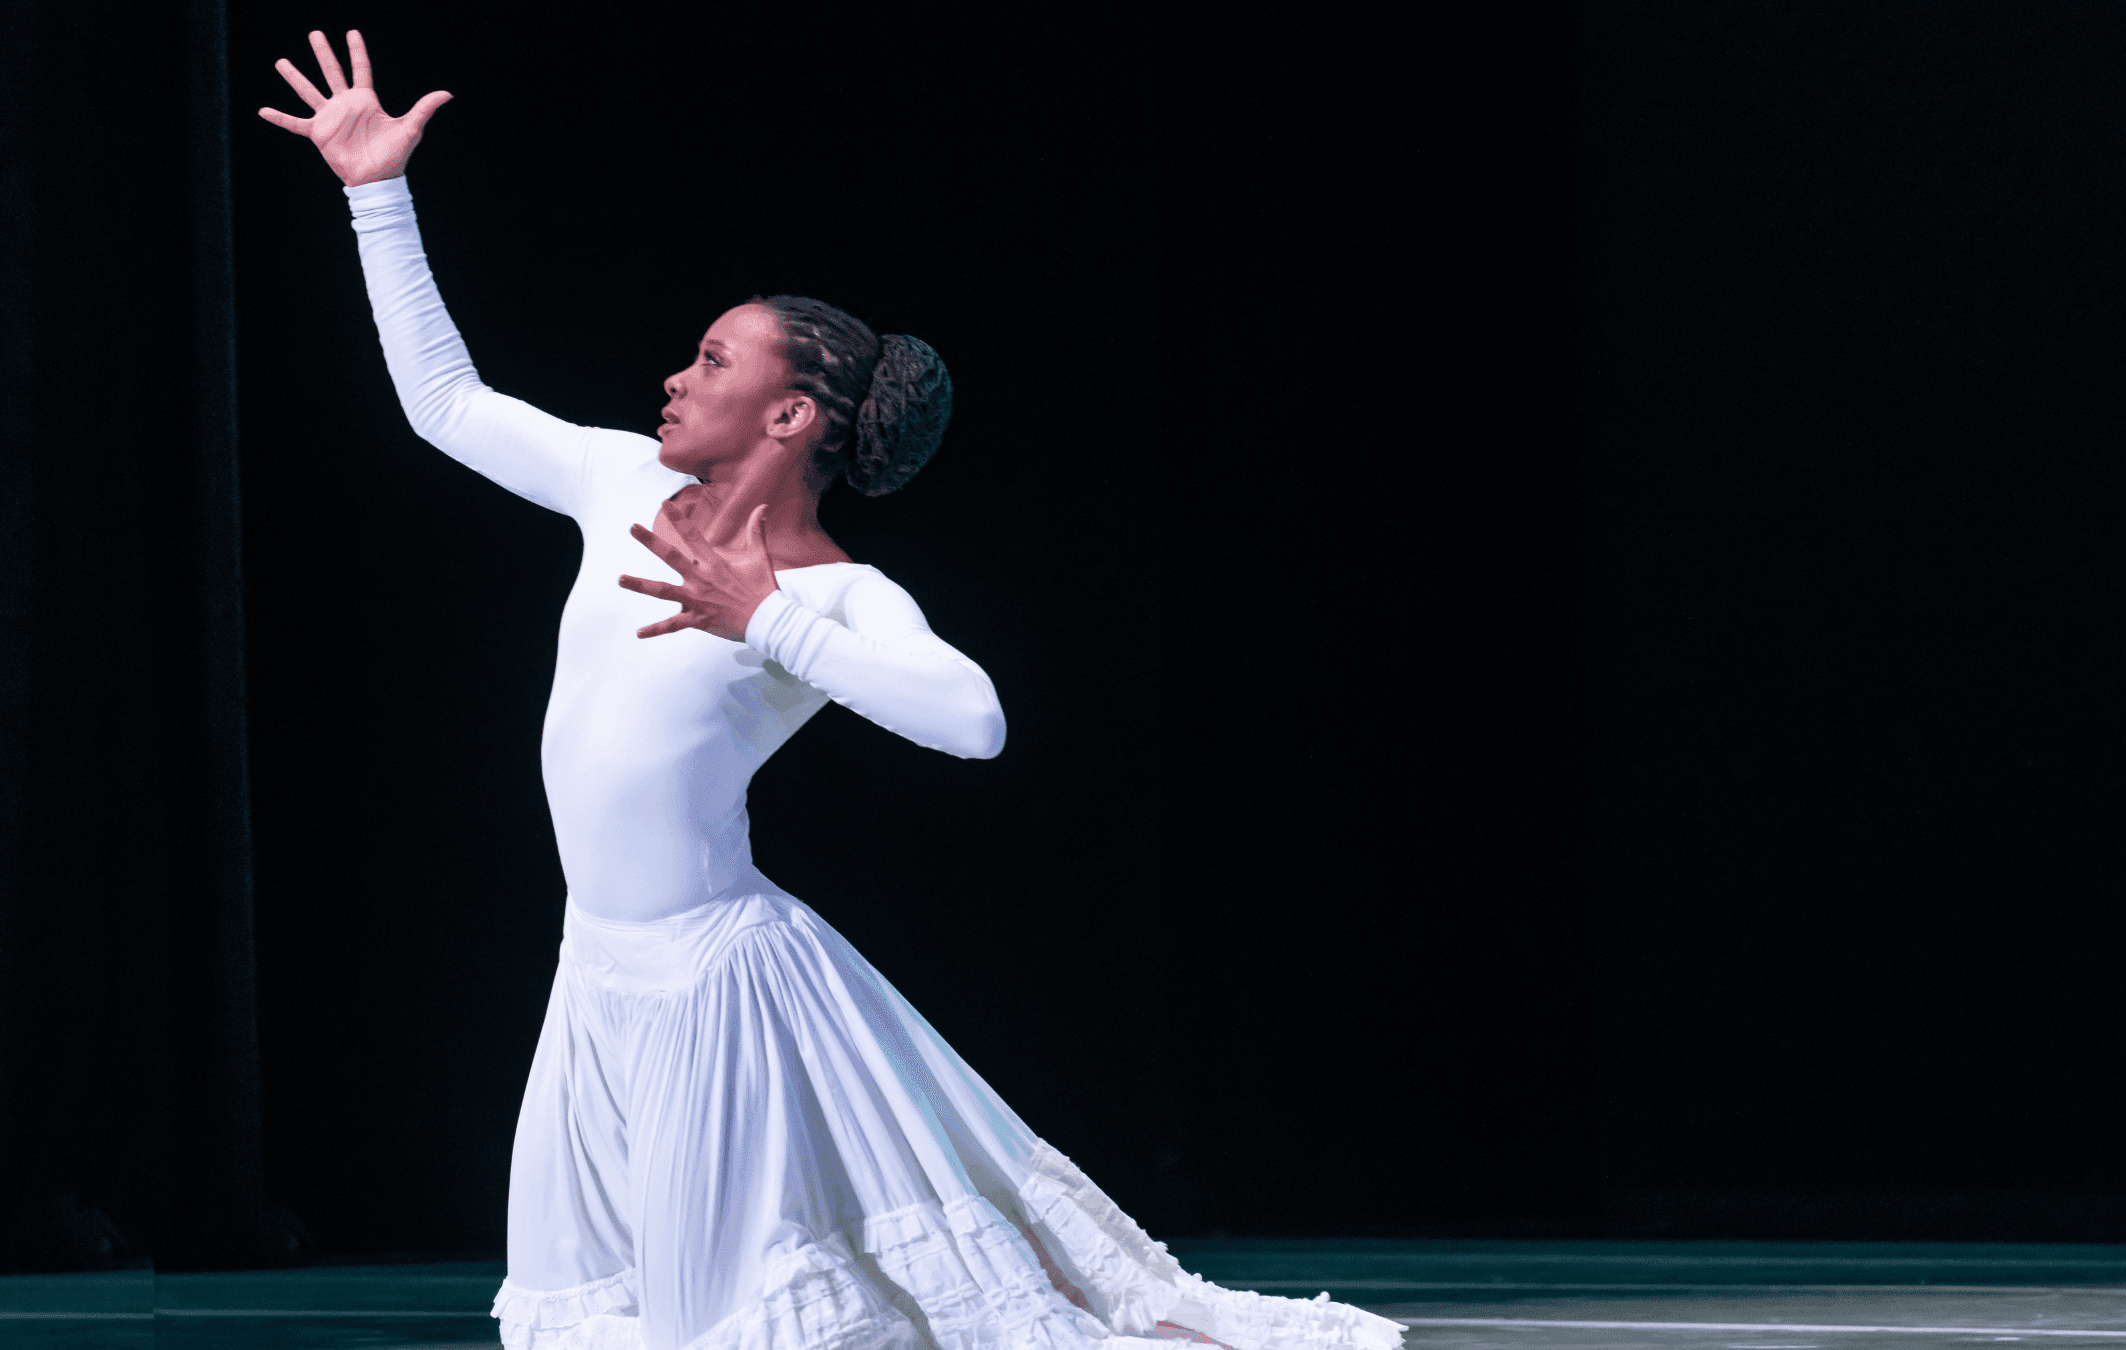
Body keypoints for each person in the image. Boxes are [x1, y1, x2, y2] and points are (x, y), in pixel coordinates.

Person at [258, 29, 1407, 1350]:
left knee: (712, 1331)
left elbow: (975, 720)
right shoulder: (622, 483)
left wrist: (769, 621)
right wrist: (375, 192)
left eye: (713, 360)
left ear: (792, 414)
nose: (676, 377)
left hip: (713, 992)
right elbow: (445, 404)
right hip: (595, 980)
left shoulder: (837, 593)